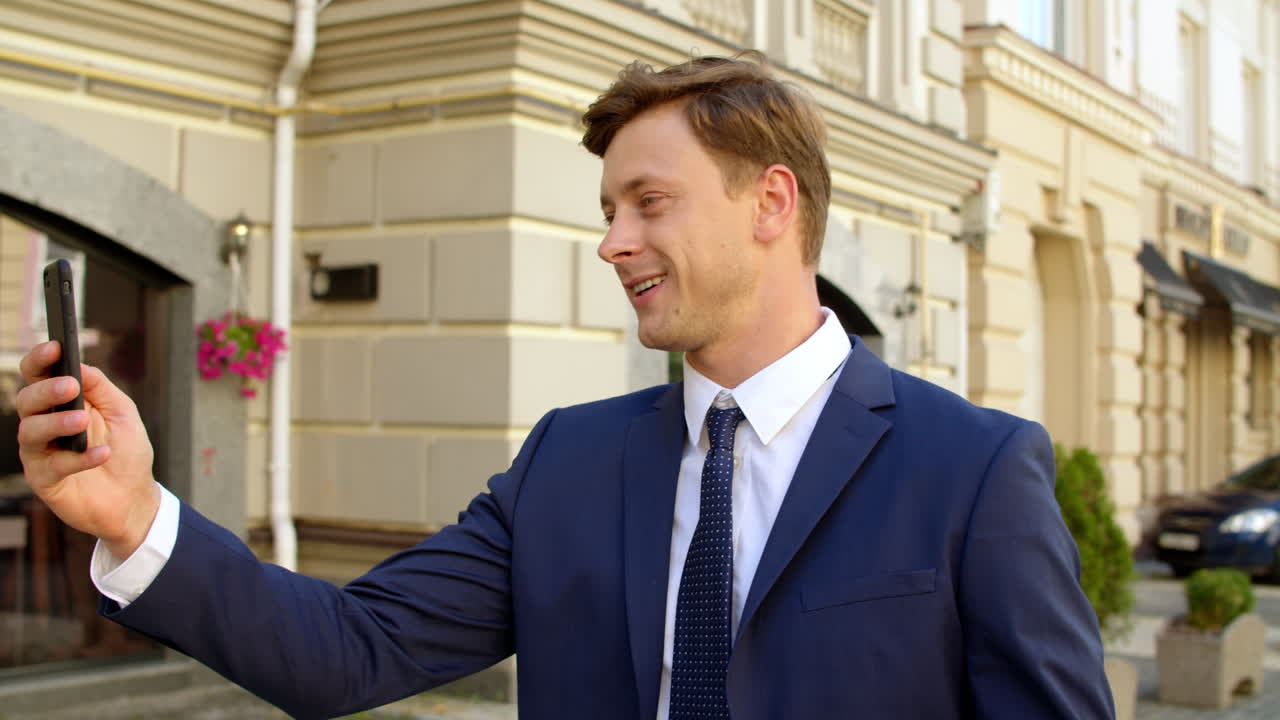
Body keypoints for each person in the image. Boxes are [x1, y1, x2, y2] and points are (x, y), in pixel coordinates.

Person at [14, 54, 1115, 719]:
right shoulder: (567, 463)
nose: (613, 243)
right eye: (605, 212)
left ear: (769, 204)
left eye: (647, 202)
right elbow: (342, 652)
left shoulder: (970, 471)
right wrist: (134, 516)